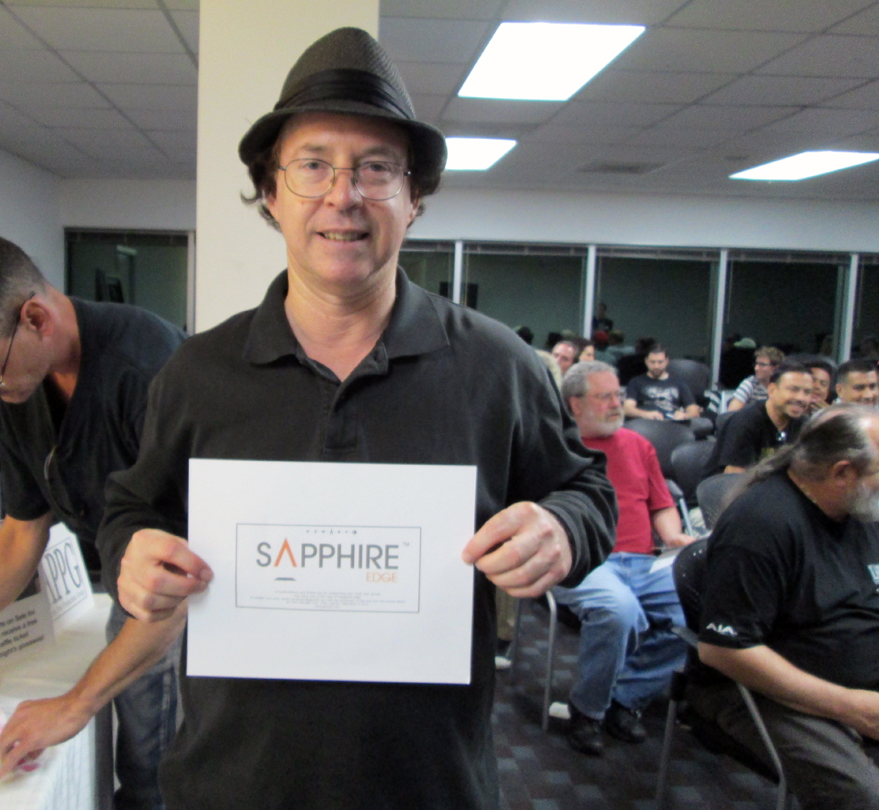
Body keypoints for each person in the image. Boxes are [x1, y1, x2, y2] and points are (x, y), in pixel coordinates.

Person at [97, 27, 616, 810]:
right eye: (313, 165)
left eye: (376, 168)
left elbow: (589, 493)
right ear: (272, 194)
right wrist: (129, 553)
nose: (344, 195)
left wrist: (563, 527)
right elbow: (132, 507)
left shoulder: (498, 365)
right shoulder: (197, 373)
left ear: (414, 199)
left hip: (430, 785)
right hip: (233, 782)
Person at [0, 233, 186, 810]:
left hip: (181, 599)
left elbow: (185, 576)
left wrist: (75, 704)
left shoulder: (148, 371)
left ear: (37, 319)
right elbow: (22, 532)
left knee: (154, 775)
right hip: (130, 583)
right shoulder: (15, 384)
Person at [690, 405, 879, 810]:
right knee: (866, 798)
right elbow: (723, 650)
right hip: (773, 690)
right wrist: (851, 707)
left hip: (856, 681)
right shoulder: (761, 524)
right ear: (842, 472)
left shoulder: (861, 510)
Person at [555, 362, 693, 756]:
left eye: (618, 395)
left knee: (702, 608)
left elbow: (661, 504)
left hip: (644, 561)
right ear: (575, 404)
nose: (617, 404)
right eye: (605, 397)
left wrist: (672, 535)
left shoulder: (638, 445)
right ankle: (588, 710)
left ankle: (625, 697)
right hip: (584, 560)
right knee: (619, 611)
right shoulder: (557, 448)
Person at [702, 362, 812, 478]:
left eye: (807, 392)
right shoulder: (746, 422)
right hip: (725, 486)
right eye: (793, 390)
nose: (801, 398)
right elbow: (734, 479)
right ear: (772, 390)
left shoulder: (804, 425)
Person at [623, 344, 700, 421]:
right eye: (652, 362)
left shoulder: (679, 383)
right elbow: (627, 409)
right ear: (646, 361)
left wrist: (684, 415)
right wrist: (645, 414)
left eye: (660, 362)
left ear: (666, 361)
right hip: (644, 423)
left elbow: (694, 410)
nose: (656, 366)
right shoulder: (636, 382)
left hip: (671, 423)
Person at [726, 346, 784, 412]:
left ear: (775, 368)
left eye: (762, 365)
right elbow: (731, 413)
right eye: (756, 364)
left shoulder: (782, 386)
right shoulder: (750, 383)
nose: (756, 368)